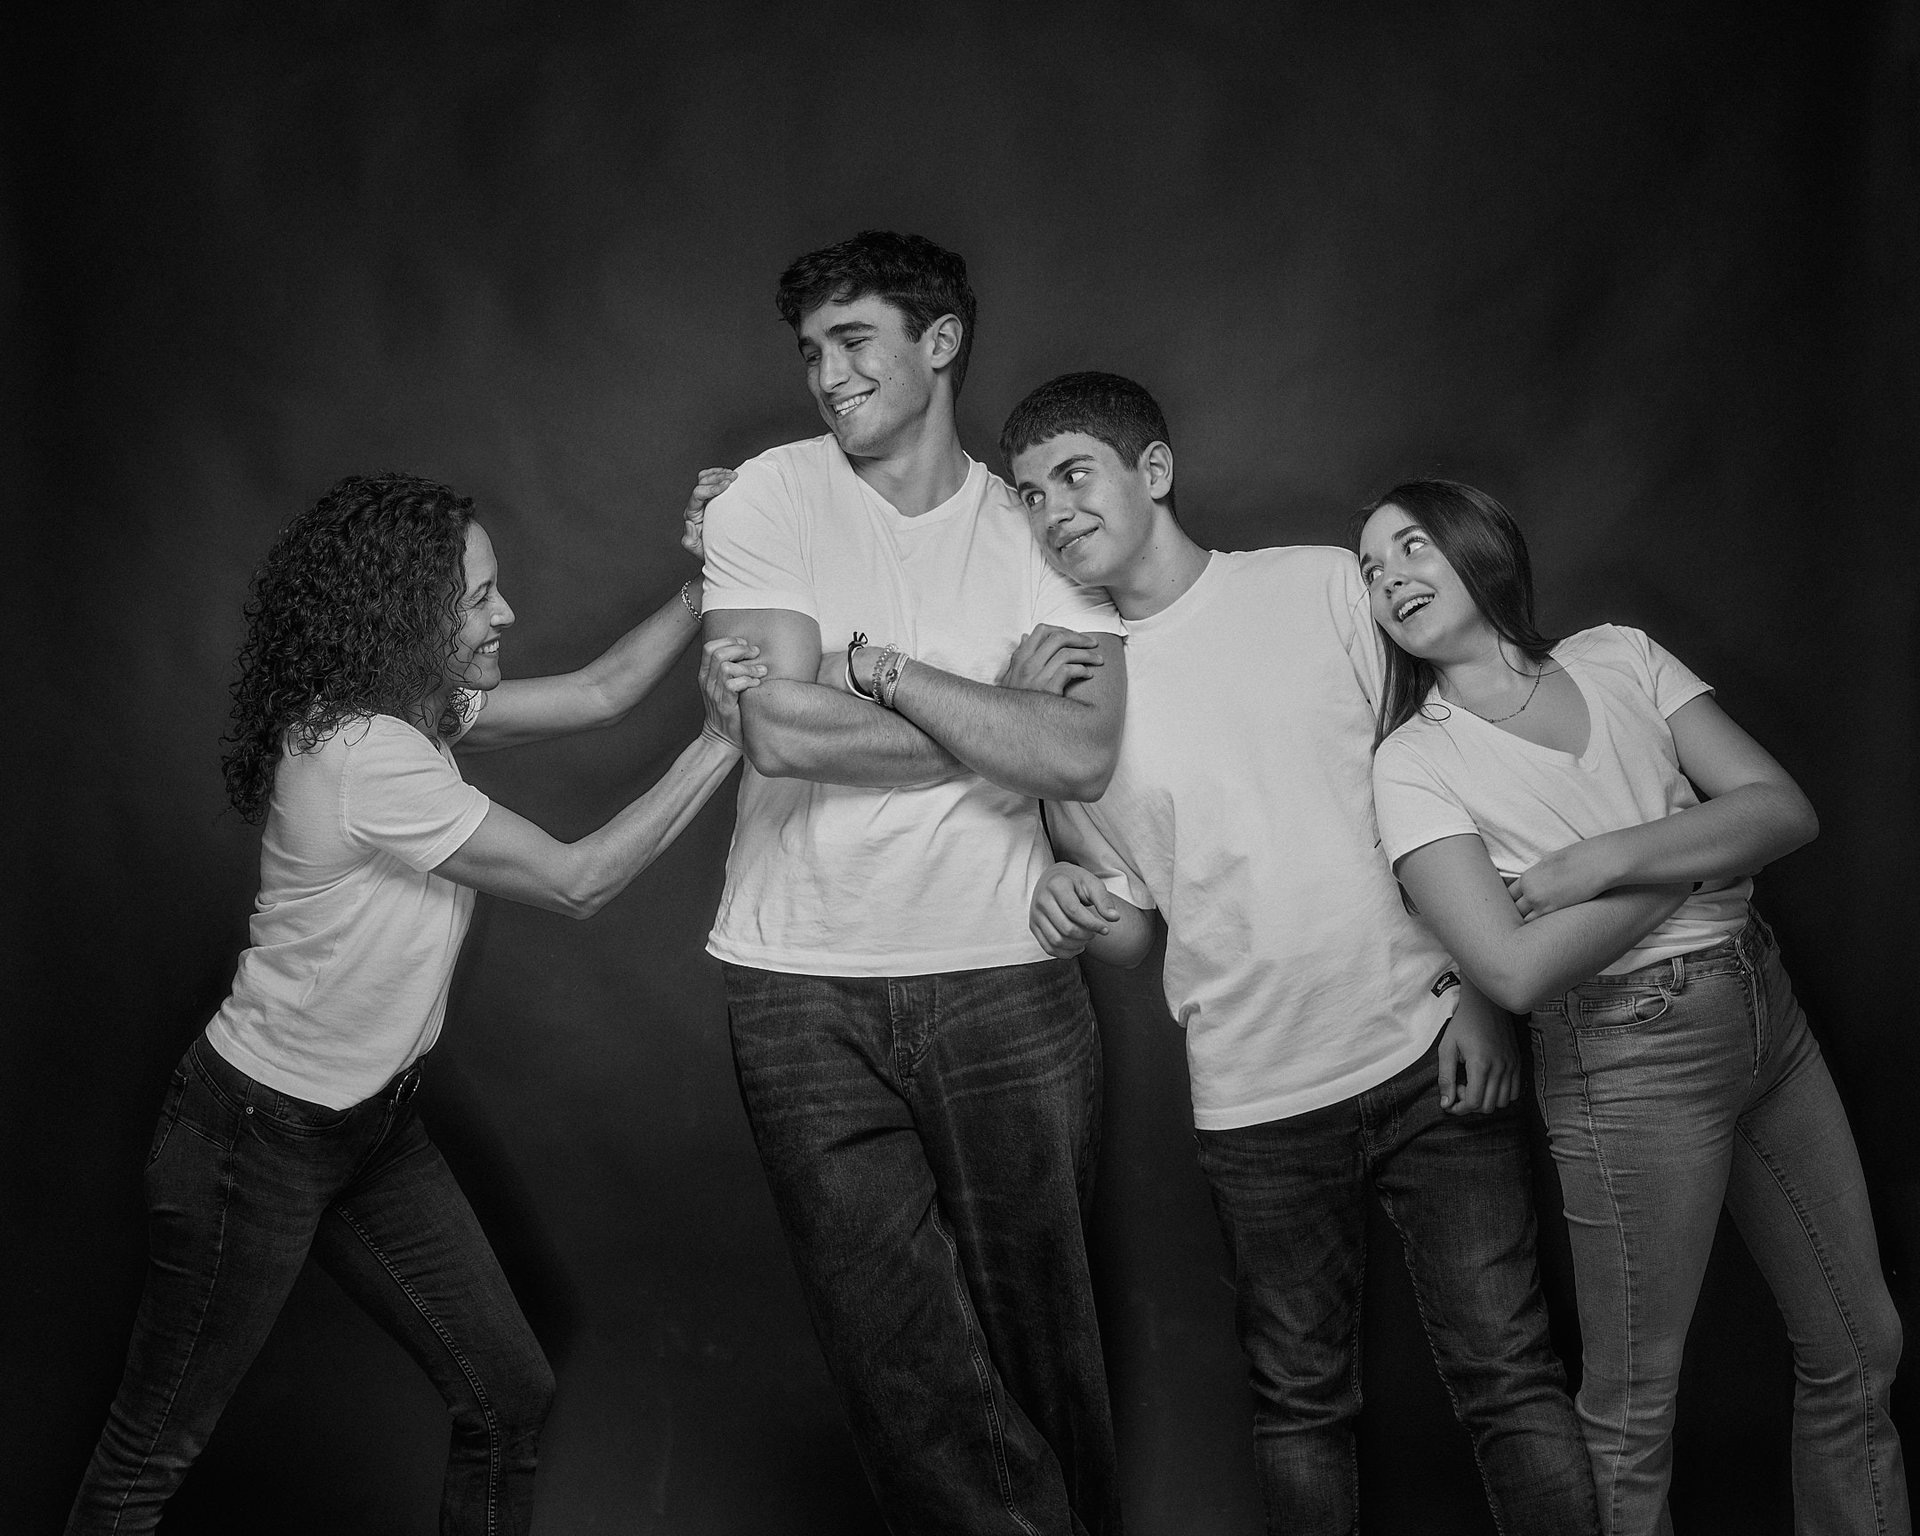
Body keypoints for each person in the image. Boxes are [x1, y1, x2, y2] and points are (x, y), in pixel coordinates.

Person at [1009, 374, 1666, 1536]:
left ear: (1153, 471)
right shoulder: (1070, 699)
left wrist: (1481, 993)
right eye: (1027, 495)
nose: (1053, 510)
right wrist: (1061, 897)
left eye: (1073, 474)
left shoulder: (1318, 587)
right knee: (1301, 1409)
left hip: (1431, 1056)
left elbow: (1446, 780)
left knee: (1509, 1378)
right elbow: (1136, 928)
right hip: (1255, 1100)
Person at [68, 470, 763, 1535]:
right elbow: (578, 880)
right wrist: (723, 739)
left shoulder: (410, 711)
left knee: (506, 1394)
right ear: (403, 615)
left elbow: (598, 693)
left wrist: (702, 580)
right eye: (479, 598)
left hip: (370, 1128)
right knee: (150, 1451)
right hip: (254, 1138)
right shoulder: (362, 753)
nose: (506, 614)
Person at [1357, 479, 1908, 1536]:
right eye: (1373, 570)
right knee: (1632, 1410)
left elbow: (1783, 809)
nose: (1391, 578)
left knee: (1859, 1343)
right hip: (1628, 1056)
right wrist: (1694, 848)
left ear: (1479, 544)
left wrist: (1601, 862)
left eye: (1412, 545)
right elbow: (1513, 970)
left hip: (1766, 1013)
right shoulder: (1415, 761)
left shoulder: (1622, 656)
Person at [694, 232, 1128, 1535]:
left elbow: (1080, 752)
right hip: (798, 985)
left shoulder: (1035, 528)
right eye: (811, 351)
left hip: (1006, 975)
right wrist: (997, 713)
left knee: (1042, 1334)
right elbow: (778, 730)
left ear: (939, 343)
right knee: (894, 1353)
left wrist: (876, 675)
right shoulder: (768, 496)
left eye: (853, 341)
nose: (827, 374)